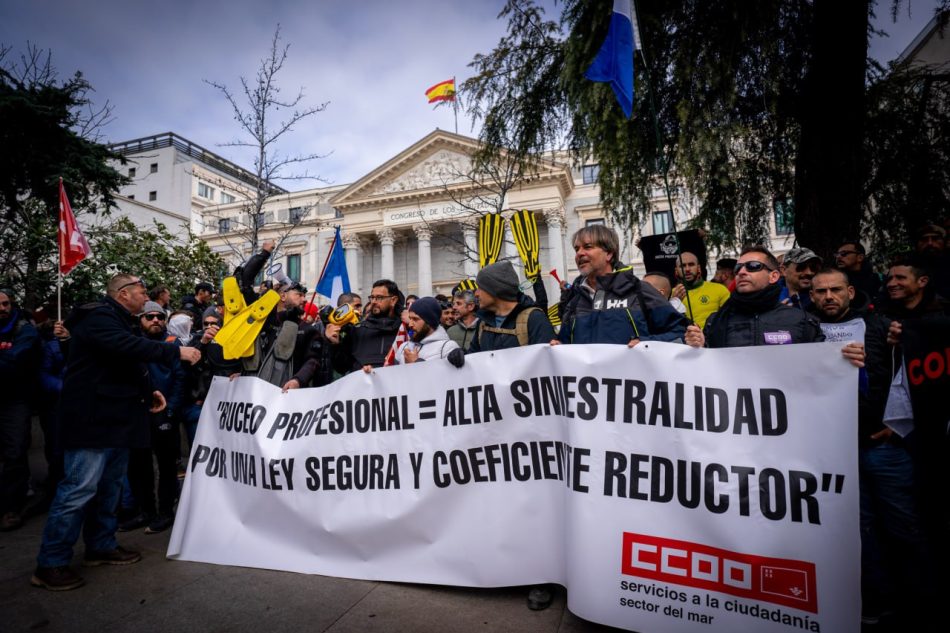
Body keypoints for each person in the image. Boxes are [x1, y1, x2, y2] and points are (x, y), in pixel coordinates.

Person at [32, 274, 200, 591]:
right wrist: (175, 353)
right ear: (123, 294)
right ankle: (51, 563)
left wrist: (149, 389)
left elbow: (123, 362)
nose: (146, 296)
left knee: (109, 489)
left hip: (116, 419)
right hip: (91, 421)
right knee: (78, 490)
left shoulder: (119, 319)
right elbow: (125, 347)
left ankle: (101, 545)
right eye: (141, 291)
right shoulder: (97, 316)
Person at [807, 268, 931, 626]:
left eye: (835, 290)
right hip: (834, 453)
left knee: (904, 525)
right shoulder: (802, 329)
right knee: (860, 534)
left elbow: (906, 374)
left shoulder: (881, 325)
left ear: (849, 291)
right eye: (820, 291)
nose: (828, 297)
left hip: (882, 445)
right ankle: (877, 602)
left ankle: (922, 604)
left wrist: (896, 422)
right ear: (811, 295)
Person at [684, 247, 864, 364]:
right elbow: (706, 370)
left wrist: (845, 358)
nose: (742, 272)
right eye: (738, 268)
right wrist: (698, 348)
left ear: (774, 276)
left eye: (753, 266)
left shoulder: (801, 320)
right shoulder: (716, 321)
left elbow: (822, 367)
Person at [556, 225, 687, 346]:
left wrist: (645, 343)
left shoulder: (639, 291)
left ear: (609, 254)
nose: (579, 253)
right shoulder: (574, 301)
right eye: (577, 249)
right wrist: (557, 346)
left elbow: (681, 333)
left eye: (588, 247)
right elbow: (566, 345)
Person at [121, 302, 186, 535]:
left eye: (160, 316)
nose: (156, 320)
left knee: (167, 466)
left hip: (164, 414)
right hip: (137, 413)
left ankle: (165, 512)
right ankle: (145, 511)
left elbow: (180, 379)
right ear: (141, 319)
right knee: (139, 466)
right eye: (150, 316)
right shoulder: (131, 342)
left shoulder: (172, 343)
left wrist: (171, 410)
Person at [0, 289, 40, 531]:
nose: (3, 308)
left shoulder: (24, 328)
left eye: (6, 303)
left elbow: (17, 358)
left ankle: (10, 508)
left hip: (15, 398)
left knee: (16, 450)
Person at [468, 261, 555, 354]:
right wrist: (459, 356)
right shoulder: (483, 323)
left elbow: (546, 362)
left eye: (480, 288)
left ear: (495, 289)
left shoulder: (534, 319)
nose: (476, 294)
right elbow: (473, 356)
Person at [330, 279, 403, 373]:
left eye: (379, 298)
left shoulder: (404, 329)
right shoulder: (358, 329)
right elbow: (341, 367)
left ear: (393, 300)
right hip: (362, 386)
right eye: (372, 297)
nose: (374, 302)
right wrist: (334, 345)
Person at [389, 297, 461, 365]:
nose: (410, 324)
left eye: (415, 319)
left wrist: (416, 363)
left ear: (429, 321)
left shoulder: (447, 347)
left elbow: (449, 377)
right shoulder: (403, 347)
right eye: (410, 318)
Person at [671, 251, 731, 328]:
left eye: (691, 264)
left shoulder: (719, 289)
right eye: (682, 266)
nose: (687, 269)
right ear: (676, 271)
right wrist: (674, 302)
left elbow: (731, 318)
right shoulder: (671, 294)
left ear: (699, 268)